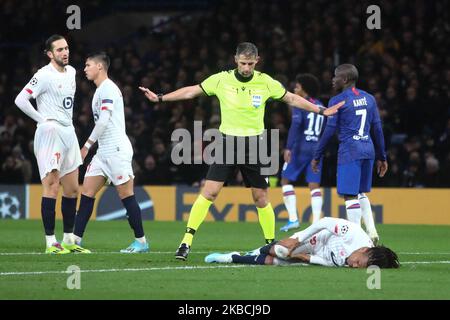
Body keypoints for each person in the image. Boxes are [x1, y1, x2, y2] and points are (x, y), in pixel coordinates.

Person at [139, 42, 344, 260]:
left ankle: (271, 246)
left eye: (250, 63)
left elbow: (292, 98)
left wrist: (321, 110)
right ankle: (185, 242)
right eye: (243, 63)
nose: (246, 68)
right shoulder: (221, 79)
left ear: (257, 61)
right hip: (227, 142)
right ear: (235, 59)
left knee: (260, 197)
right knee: (209, 192)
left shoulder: (265, 82)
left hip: (255, 145)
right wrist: (160, 97)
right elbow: (192, 91)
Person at [14, 34, 84, 254]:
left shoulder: (72, 71)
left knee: (72, 189)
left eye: (66, 48)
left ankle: (69, 240)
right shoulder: (43, 75)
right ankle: (50, 242)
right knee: (52, 186)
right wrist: (40, 119)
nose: (65, 52)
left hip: (68, 131)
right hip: (50, 132)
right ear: (50, 54)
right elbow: (20, 99)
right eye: (60, 50)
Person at [73, 52, 149, 253]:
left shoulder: (108, 89)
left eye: (88, 65)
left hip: (116, 150)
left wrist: (86, 146)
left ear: (99, 66)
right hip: (103, 152)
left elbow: (104, 120)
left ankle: (141, 241)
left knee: (126, 195)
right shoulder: (99, 91)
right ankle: (75, 240)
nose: (85, 69)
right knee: (87, 192)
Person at [311, 64, 387, 244]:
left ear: (344, 79)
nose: (332, 79)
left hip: (350, 151)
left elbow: (329, 131)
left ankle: (356, 239)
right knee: (360, 192)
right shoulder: (369, 99)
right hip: (368, 149)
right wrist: (382, 156)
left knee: (349, 195)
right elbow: (377, 129)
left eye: (335, 76)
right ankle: (372, 231)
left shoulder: (338, 101)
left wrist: (317, 155)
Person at [204, 217, 399, 268]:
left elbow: (328, 262)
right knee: (280, 249)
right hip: (314, 239)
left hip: (319, 254)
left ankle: (231, 258)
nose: (354, 266)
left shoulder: (356, 261)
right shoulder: (354, 234)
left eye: (359, 267)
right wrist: (297, 239)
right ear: (364, 249)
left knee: (277, 261)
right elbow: (324, 223)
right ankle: (248, 252)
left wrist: (301, 257)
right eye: (359, 262)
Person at [280, 74, 325, 232]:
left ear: (304, 89)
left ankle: (293, 219)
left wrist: (288, 147)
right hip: (316, 148)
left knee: (285, 181)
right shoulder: (320, 105)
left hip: (301, 147)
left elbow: (296, 124)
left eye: (297, 87)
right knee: (314, 185)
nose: (294, 89)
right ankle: (317, 223)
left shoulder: (300, 104)